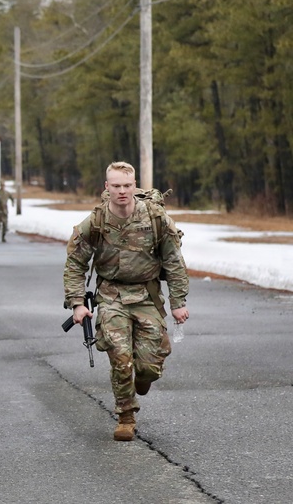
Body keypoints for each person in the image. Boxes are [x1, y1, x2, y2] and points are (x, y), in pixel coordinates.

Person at [62, 161, 189, 442]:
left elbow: (174, 261)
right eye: (116, 186)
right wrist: (77, 303)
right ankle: (126, 417)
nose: (122, 191)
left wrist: (178, 301)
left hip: (147, 296)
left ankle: (144, 376)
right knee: (121, 358)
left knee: (148, 367)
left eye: (127, 186)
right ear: (107, 187)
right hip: (111, 297)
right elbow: (75, 263)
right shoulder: (95, 222)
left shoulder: (155, 218)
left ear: (135, 186)